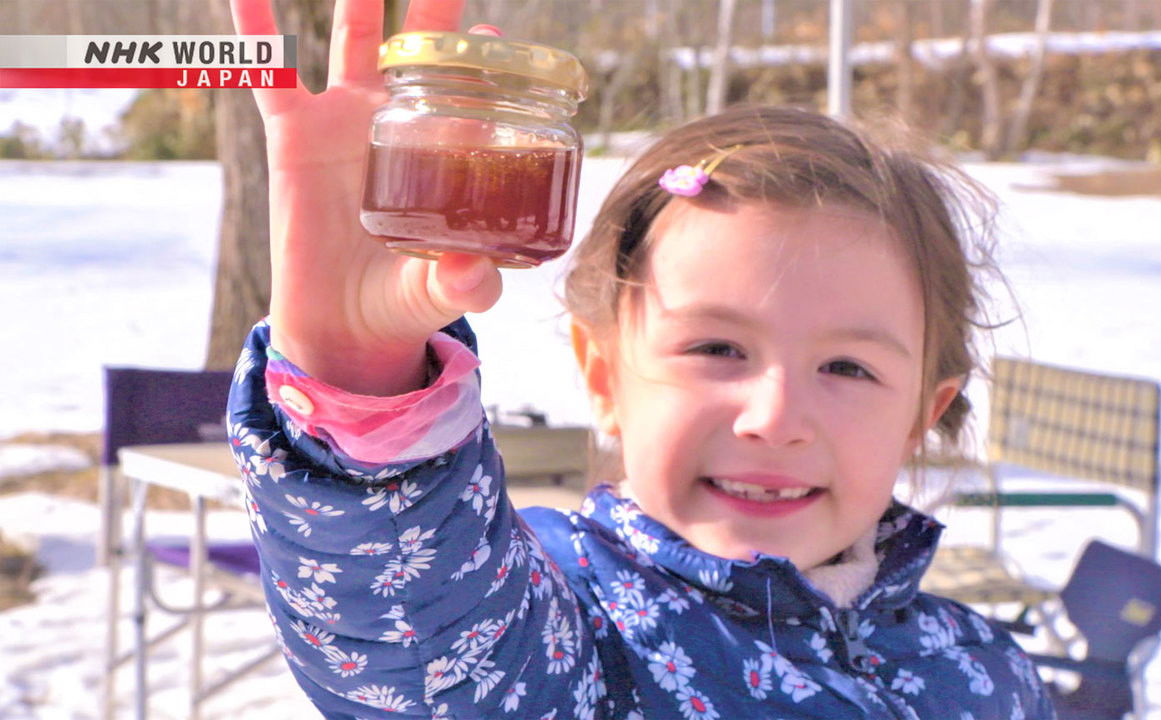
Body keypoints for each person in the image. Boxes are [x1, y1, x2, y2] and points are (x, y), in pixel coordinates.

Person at [225, 0, 1055, 717]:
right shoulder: (573, 635)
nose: (774, 420)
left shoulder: (986, 675)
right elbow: (426, 649)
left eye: (847, 368)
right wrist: (355, 371)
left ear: (923, 415)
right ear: (603, 376)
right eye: (718, 348)